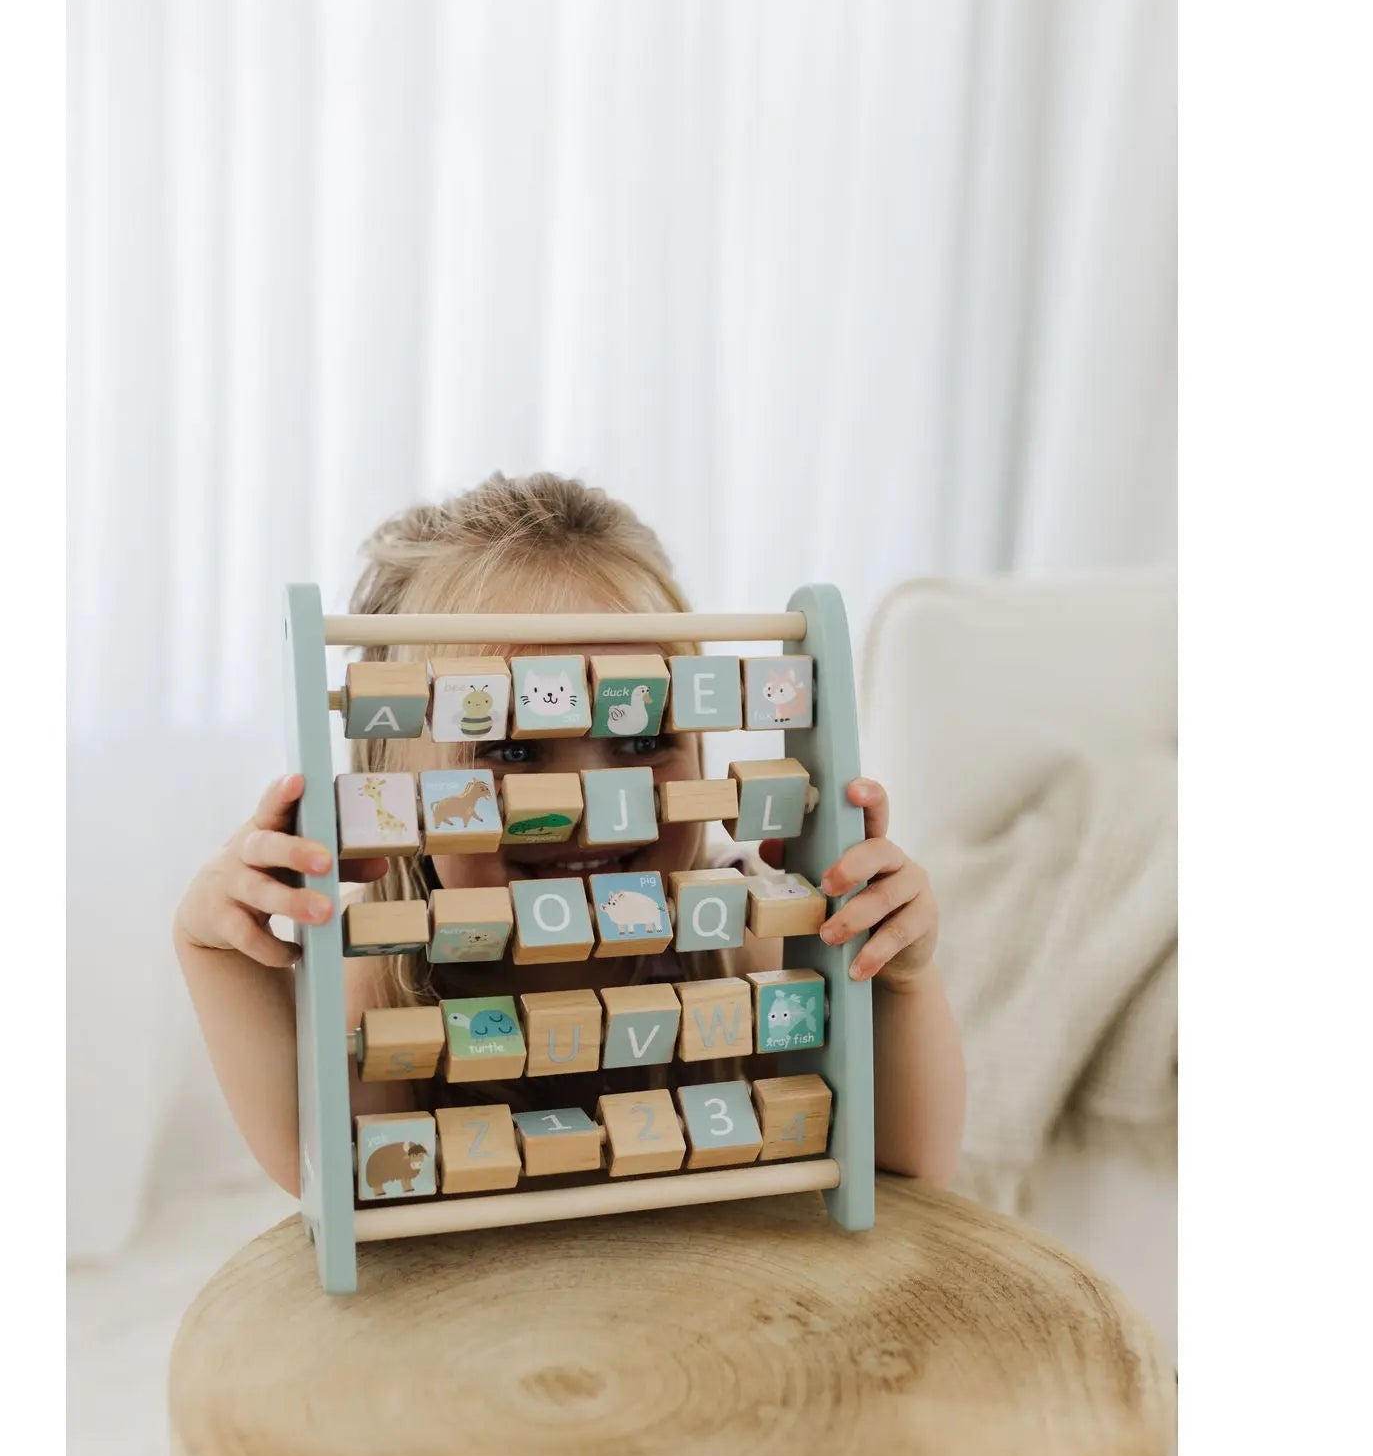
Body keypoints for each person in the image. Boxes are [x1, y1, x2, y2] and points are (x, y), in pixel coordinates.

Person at [175, 473, 965, 1194]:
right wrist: (215, 954)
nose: (589, 800)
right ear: (389, 788)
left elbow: (903, 1162)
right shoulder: (385, 989)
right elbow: (327, 1177)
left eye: (640, 737)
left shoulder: (750, 938)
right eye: (512, 749)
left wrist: (900, 976)